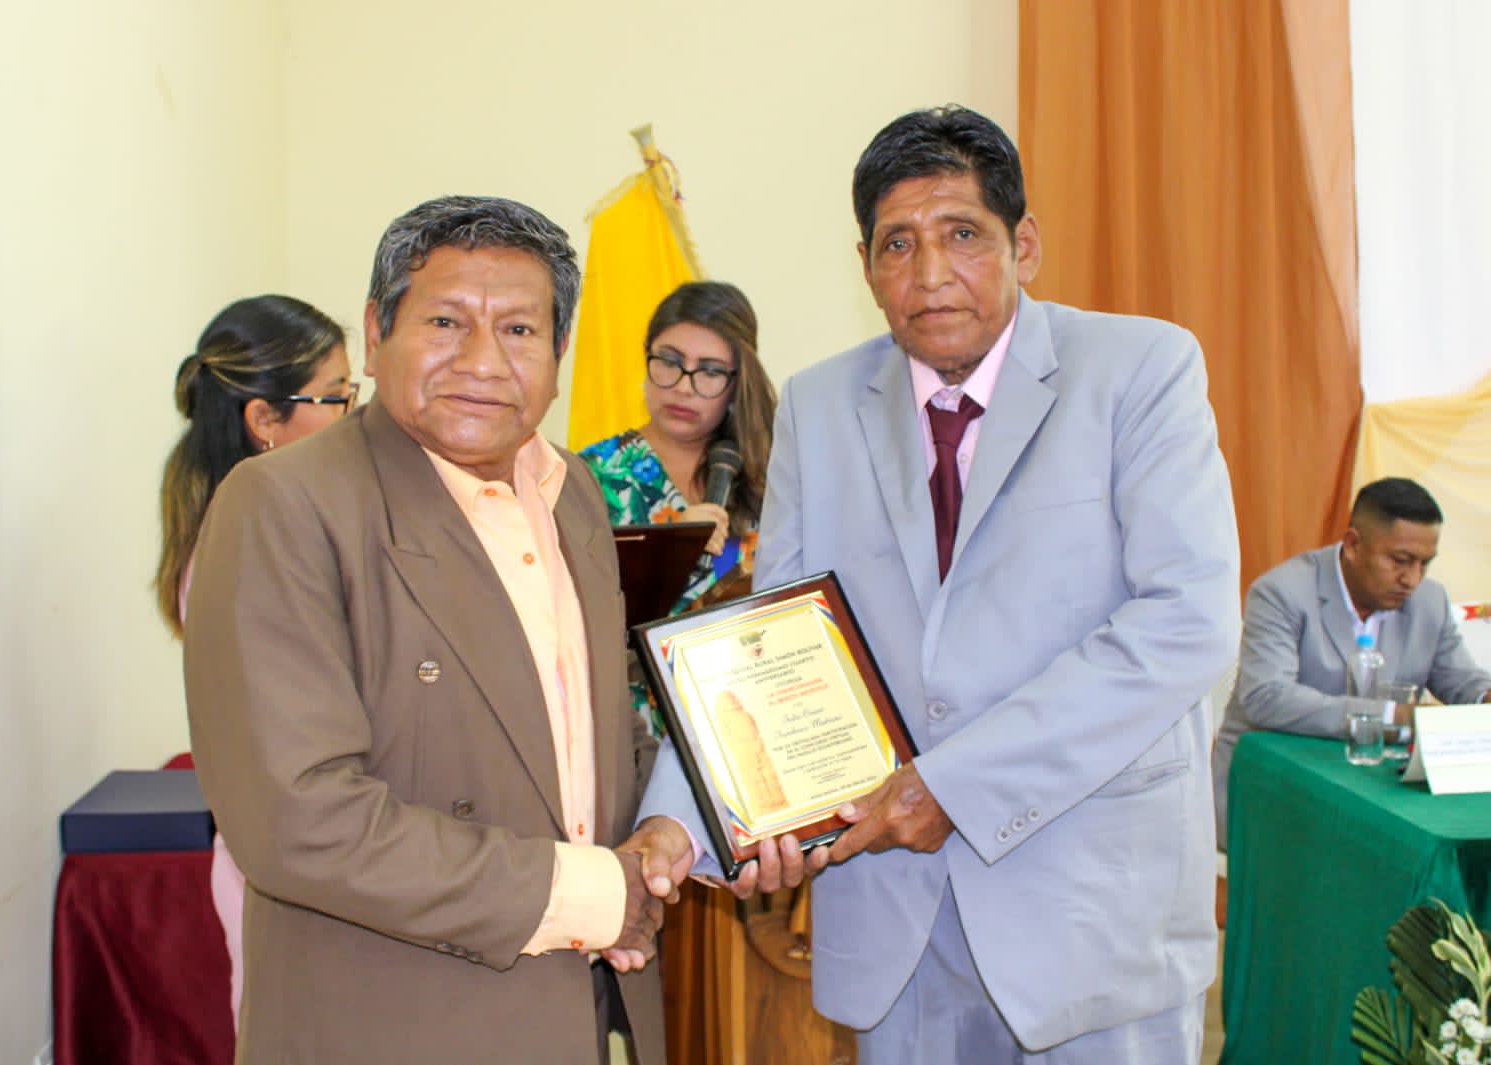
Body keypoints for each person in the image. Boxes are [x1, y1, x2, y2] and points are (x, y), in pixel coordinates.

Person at [629, 105, 1242, 1063]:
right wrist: (680, 821)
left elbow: (1185, 622)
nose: (928, 273)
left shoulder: (1140, 369)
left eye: (962, 234)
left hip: (1088, 912)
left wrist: (952, 785)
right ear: (865, 263)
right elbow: (769, 643)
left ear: (1022, 244)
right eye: (897, 244)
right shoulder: (822, 404)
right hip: (893, 922)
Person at [183, 196, 670, 1065]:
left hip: (569, 1018)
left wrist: (688, 826)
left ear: (560, 352)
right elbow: (299, 817)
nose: (482, 361)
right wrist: (596, 893)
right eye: (446, 321)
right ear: (377, 333)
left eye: (519, 329)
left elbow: (594, 733)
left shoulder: (574, 495)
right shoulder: (283, 506)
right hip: (393, 1022)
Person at [154, 293, 354, 1028]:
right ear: (265, 419)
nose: (352, 416)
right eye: (335, 397)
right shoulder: (244, 547)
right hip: (289, 868)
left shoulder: (279, 522)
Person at [1212, 477, 1491, 837]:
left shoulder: (1429, 601)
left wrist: (1484, 697)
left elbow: (1461, 680)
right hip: (1274, 790)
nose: (1412, 579)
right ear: (1354, 544)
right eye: (1400, 561)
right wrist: (1392, 716)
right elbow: (1266, 698)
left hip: (1378, 794)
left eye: (1425, 564)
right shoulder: (1283, 592)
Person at [580, 280, 778, 734]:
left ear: (737, 383)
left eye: (709, 371)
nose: (684, 387)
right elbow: (566, 617)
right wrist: (666, 552)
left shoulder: (773, 477)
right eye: (669, 362)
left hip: (748, 717)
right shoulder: (589, 476)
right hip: (633, 728)